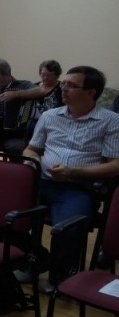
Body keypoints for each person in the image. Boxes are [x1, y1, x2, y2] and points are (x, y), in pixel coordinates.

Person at [23, 66, 119, 226]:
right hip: (40, 181)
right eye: (64, 84)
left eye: (71, 85)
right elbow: (32, 149)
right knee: (2, 212)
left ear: (91, 92)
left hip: (77, 188)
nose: (64, 89)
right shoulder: (50, 116)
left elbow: (115, 166)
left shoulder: (111, 121)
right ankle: (26, 249)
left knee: (69, 228)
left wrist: (73, 172)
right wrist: (33, 160)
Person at [0, 59, 64, 142]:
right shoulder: (34, 86)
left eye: (49, 75)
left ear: (57, 75)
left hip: (53, 124)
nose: (45, 78)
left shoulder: (61, 88)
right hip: (31, 124)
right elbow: (26, 106)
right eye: (43, 74)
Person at [0, 58, 34, 154]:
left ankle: (14, 168)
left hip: (14, 134)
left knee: (17, 147)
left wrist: (16, 94)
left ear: (8, 74)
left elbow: (41, 90)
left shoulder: (22, 85)